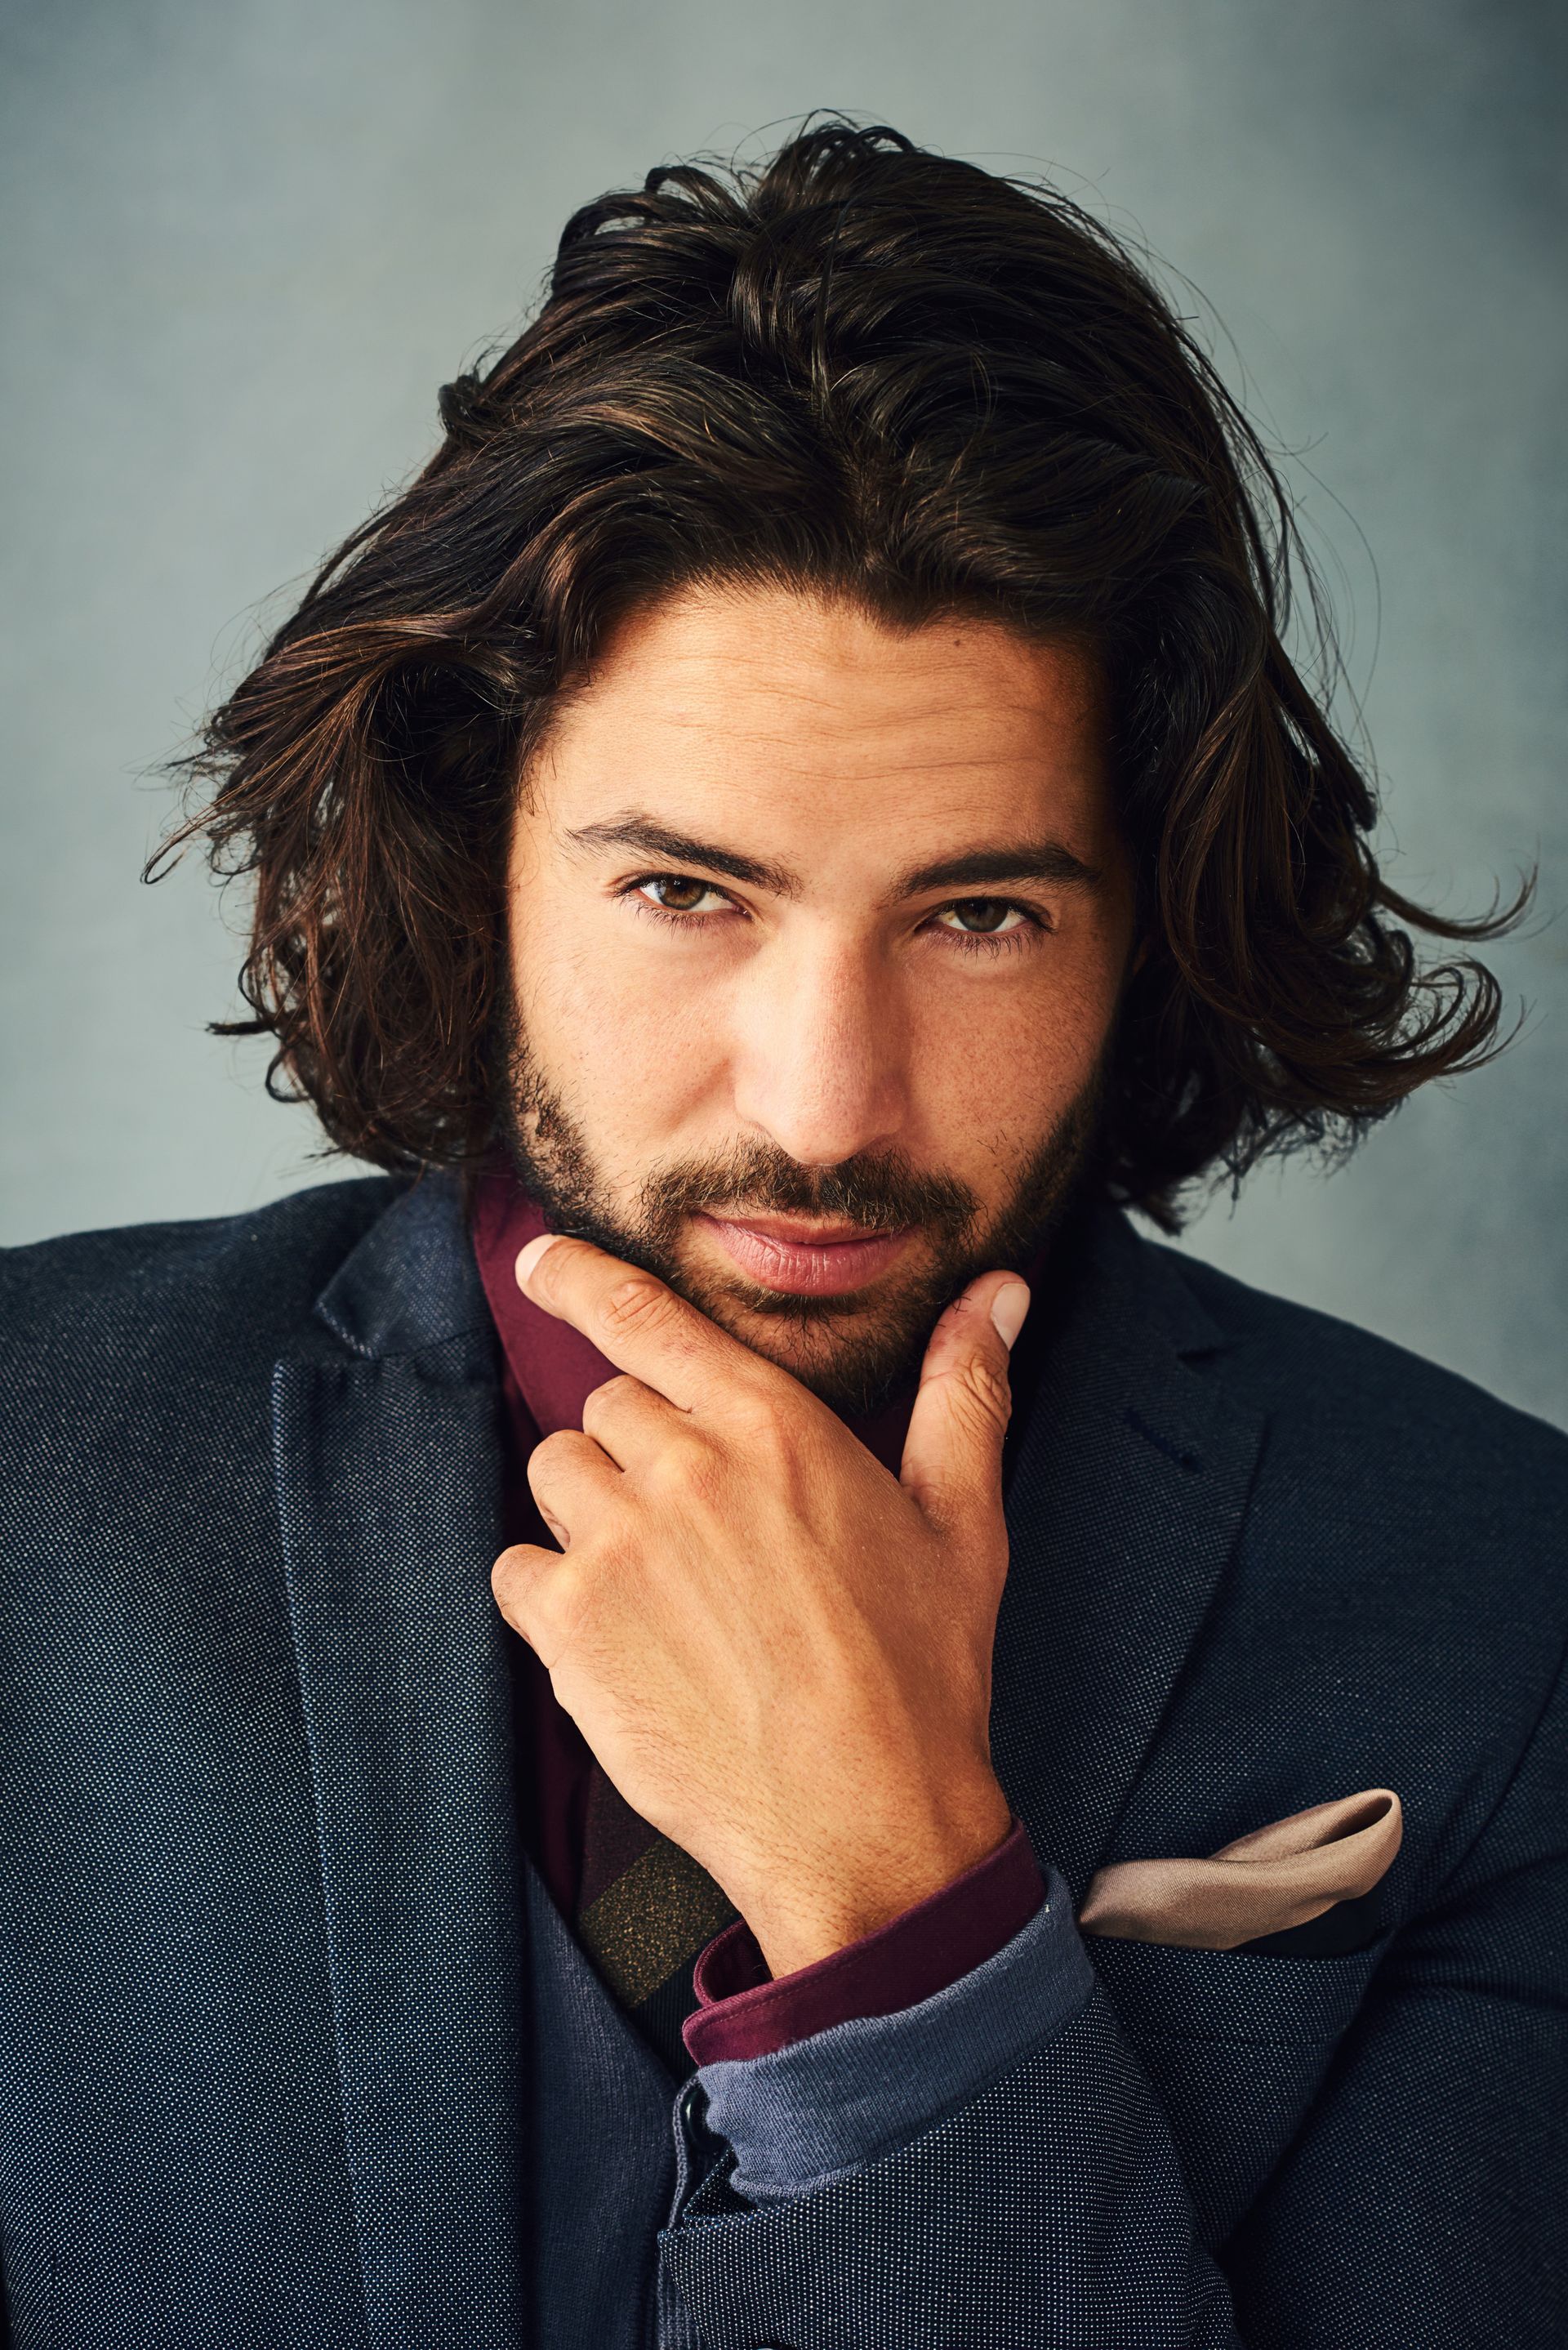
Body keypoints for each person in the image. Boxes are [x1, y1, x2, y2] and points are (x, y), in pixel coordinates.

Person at [1, 118, 1562, 2350]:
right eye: (686, 894)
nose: (828, 1105)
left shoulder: (1509, 1602)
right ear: (479, 863)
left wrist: (899, 1900)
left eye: (981, 913)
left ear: (1145, 933)